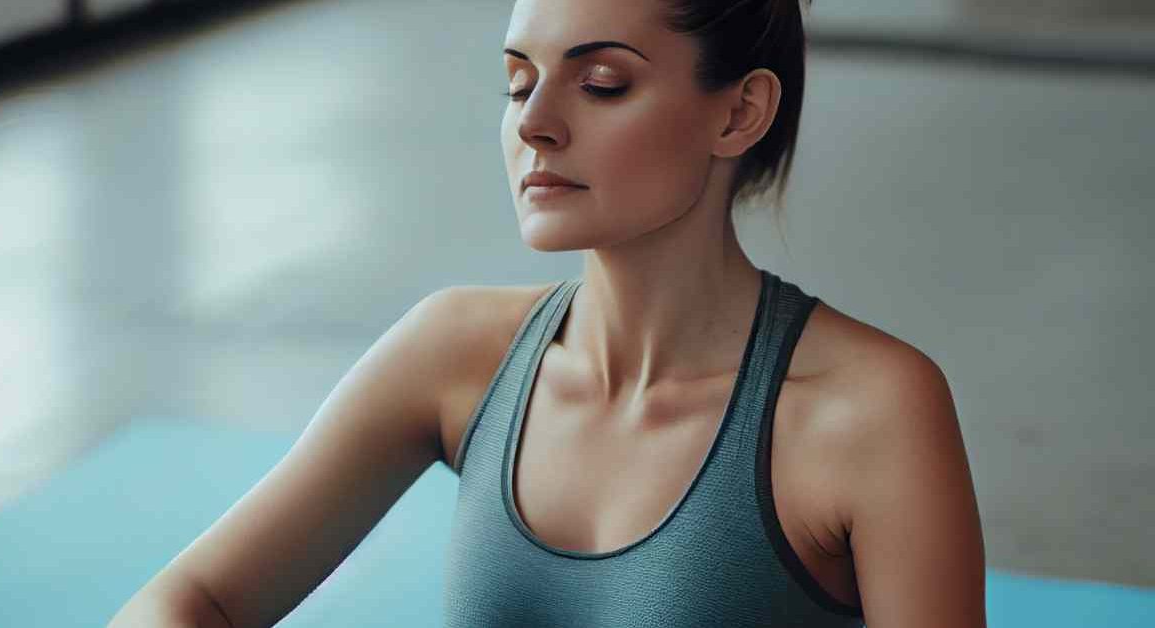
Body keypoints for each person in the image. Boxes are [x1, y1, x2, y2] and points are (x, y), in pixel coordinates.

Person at [109, 1, 986, 627]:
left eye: (601, 83)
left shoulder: (870, 411)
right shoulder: (454, 352)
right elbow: (193, 600)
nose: (534, 123)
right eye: (517, 81)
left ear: (739, 110)